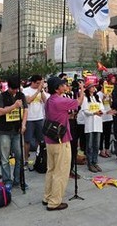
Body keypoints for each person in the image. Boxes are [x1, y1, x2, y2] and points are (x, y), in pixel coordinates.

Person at [43, 76, 84, 211]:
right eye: (62, 84)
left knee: (51, 169)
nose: (65, 86)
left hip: (50, 139)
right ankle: (54, 201)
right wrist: (82, 89)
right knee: (61, 171)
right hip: (61, 140)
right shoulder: (60, 100)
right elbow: (78, 102)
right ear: (57, 88)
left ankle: (47, 196)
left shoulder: (49, 100)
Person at [0, 76, 28, 190]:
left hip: (17, 130)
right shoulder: (2, 96)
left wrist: (23, 124)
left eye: (17, 88)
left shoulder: (21, 96)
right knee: (5, 158)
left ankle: (18, 180)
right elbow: (0, 111)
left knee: (19, 156)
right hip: (4, 130)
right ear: (9, 87)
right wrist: (14, 106)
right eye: (13, 89)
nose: (15, 91)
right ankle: (6, 180)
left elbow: (25, 110)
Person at [23, 75, 47, 167]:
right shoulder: (26, 90)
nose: (39, 85)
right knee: (27, 140)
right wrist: (38, 91)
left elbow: (45, 101)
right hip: (29, 118)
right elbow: (28, 100)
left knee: (40, 140)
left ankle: (39, 157)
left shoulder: (41, 90)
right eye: (37, 83)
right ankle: (26, 159)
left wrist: (41, 91)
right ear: (33, 82)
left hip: (39, 117)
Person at [81, 81, 105, 172]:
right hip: (90, 123)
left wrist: (102, 112)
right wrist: (94, 113)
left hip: (98, 123)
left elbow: (102, 108)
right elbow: (85, 110)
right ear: (88, 88)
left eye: (94, 87)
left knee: (96, 144)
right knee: (90, 145)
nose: (93, 88)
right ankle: (90, 163)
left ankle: (95, 162)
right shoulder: (85, 98)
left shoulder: (97, 97)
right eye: (91, 87)